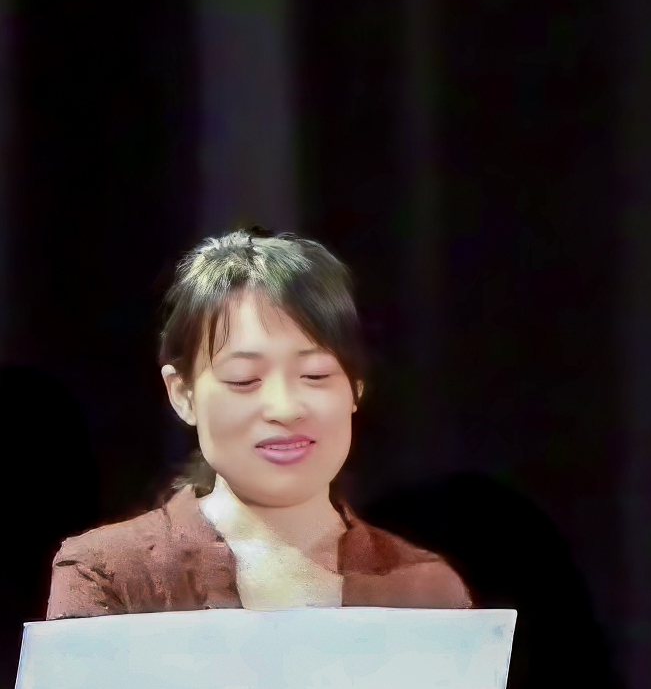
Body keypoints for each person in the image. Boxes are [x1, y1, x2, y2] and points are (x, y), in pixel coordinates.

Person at [47, 229, 470, 619]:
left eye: (316, 375)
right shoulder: (109, 574)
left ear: (355, 389)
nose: (284, 408)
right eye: (244, 380)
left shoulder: (425, 591)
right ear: (183, 394)